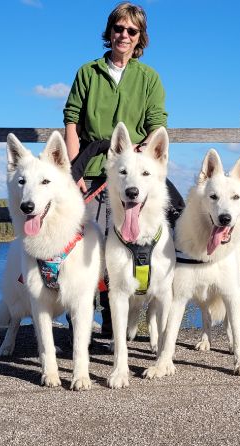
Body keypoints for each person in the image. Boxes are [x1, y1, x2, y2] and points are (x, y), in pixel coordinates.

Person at [62, 2, 183, 344]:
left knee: (166, 224)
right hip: (91, 164)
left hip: (130, 169)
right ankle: (80, 325)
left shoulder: (149, 78)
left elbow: (157, 125)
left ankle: (119, 326)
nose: (124, 35)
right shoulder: (87, 72)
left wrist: (133, 166)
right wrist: (76, 168)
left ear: (140, 36)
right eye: (119, 28)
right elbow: (72, 119)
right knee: (86, 249)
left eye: (132, 31)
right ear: (110, 32)